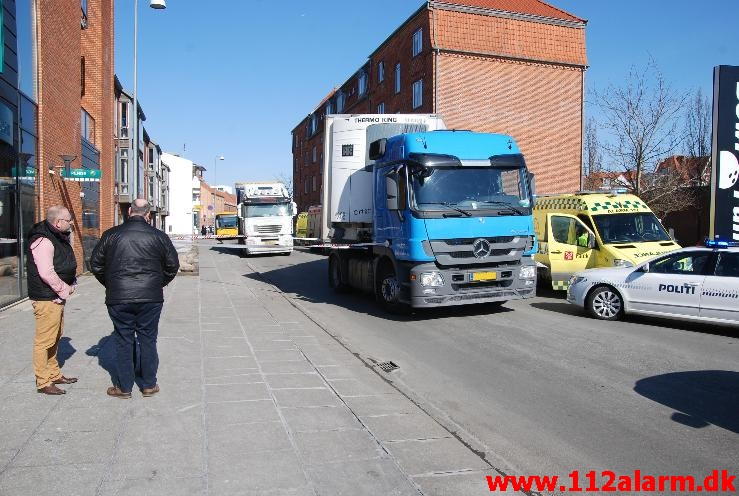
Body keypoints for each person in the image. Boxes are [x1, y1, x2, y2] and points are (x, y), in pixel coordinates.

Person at [90, 199, 179, 399]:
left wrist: (112, 284)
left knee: (123, 339)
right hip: (150, 298)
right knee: (148, 338)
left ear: (130, 211)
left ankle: (124, 387)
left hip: (119, 297)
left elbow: (95, 264)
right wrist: (157, 284)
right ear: (148, 214)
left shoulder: (111, 235)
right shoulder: (159, 236)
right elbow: (172, 266)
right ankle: (148, 384)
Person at [27, 205, 78, 395]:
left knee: (55, 337)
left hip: (55, 297)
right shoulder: (43, 240)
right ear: (58, 222)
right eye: (68, 219)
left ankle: (54, 373)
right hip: (47, 298)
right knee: (44, 341)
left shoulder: (56, 236)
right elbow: (46, 272)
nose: (71, 222)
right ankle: (43, 381)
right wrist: (64, 289)